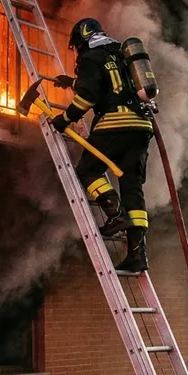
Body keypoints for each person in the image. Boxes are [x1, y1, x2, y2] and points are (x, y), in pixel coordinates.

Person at [49, 17, 153, 273]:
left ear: (82, 40)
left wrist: (64, 119)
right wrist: (71, 83)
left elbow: (89, 96)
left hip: (114, 123)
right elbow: (113, 85)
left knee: (87, 170)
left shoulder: (90, 57)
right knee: (132, 185)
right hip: (141, 127)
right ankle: (137, 255)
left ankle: (115, 214)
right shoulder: (120, 54)